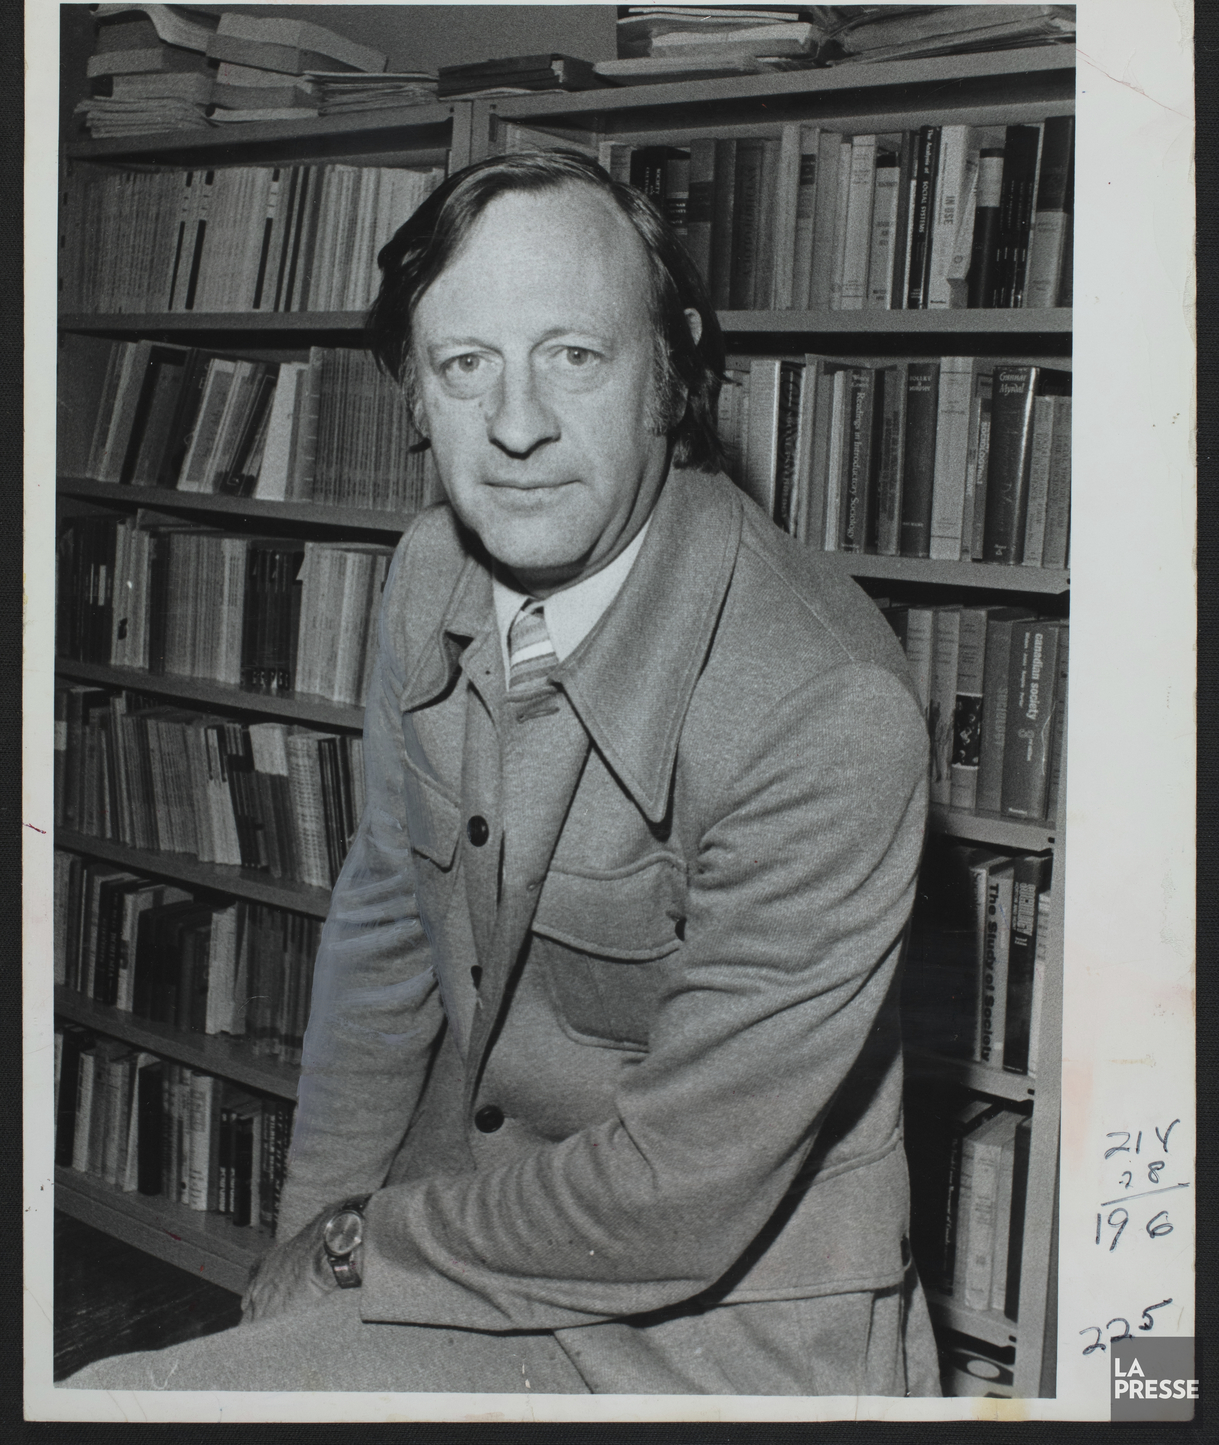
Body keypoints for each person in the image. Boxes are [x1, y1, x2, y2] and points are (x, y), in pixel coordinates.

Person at [67, 149, 940, 1396]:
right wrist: (300, 1250)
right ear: (415, 398)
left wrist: (362, 1245)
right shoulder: (428, 570)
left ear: (673, 373)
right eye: (465, 364)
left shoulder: (828, 706)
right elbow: (387, 925)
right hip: (475, 1236)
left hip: (720, 1329)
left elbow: (674, 1196)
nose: (517, 426)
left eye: (573, 355)